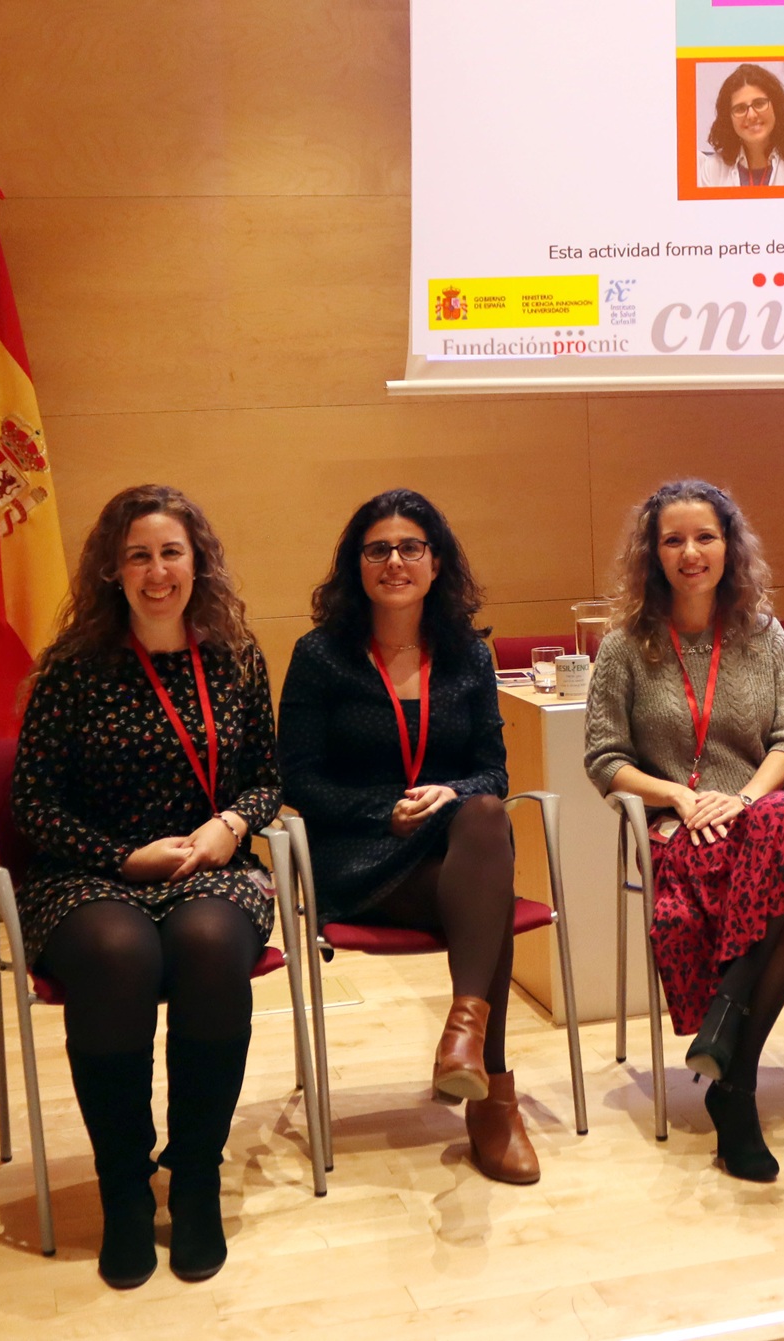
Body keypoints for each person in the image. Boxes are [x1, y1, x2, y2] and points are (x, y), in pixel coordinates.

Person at [11, 484, 281, 1288]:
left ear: (198, 562)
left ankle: (195, 1176)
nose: (157, 571)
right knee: (122, 955)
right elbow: (31, 802)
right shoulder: (72, 669)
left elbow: (267, 778)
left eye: (171, 552)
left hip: (212, 869)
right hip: (92, 873)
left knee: (203, 945)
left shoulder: (235, 657)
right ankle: (125, 1189)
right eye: (138, 555)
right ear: (112, 570)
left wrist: (230, 824)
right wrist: (121, 857)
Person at [584, 480, 784, 1182]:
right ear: (652, 553)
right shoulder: (626, 646)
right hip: (682, 832)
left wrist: (743, 799)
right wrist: (682, 800)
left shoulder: (764, 633)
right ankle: (734, 1073)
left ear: (730, 546)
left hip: (763, 823)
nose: (691, 552)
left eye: (706, 537)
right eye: (674, 539)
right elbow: (604, 757)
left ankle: (734, 1066)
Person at [278, 489, 538, 1184]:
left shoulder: (467, 657)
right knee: (489, 904)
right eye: (378, 548)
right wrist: (382, 810)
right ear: (356, 564)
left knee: (485, 814)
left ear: (436, 563)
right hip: (359, 859)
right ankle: (492, 1089)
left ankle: (465, 1040)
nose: (395, 560)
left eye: (410, 547)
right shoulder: (321, 657)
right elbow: (297, 780)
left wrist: (452, 792)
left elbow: (493, 769)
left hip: (450, 852)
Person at [698, 63, 784, 187]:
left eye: (759, 103)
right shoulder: (711, 170)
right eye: (740, 108)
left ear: (776, 107)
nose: (751, 115)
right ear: (728, 119)